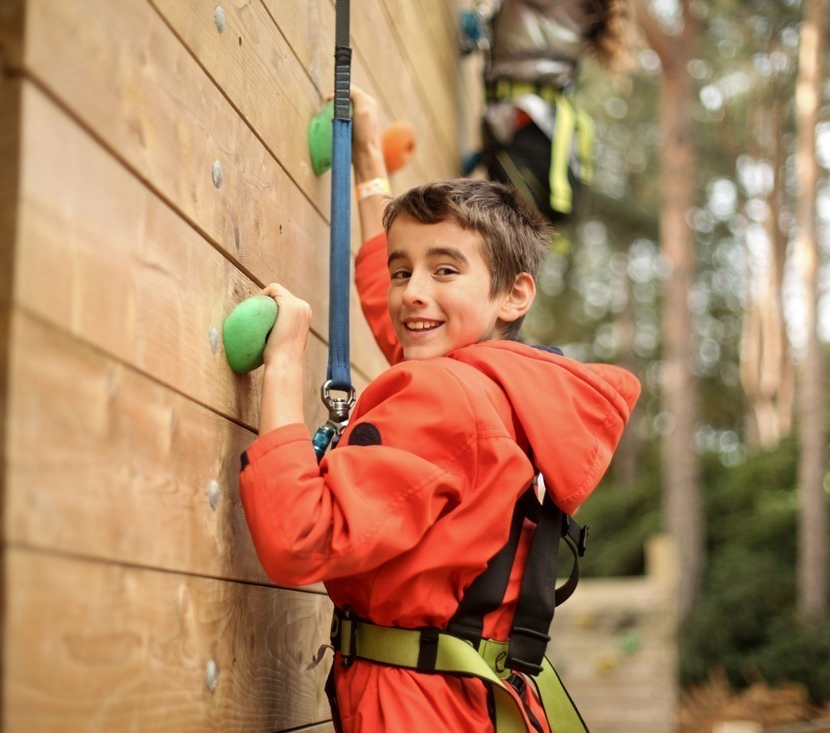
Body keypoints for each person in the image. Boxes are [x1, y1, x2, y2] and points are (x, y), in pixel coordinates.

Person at [238, 88, 640, 732]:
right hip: (471, 699)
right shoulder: (510, 390)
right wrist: (370, 162)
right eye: (404, 272)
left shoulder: (448, 399)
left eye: (445, 270)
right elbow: (407, 321)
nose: (413, 295)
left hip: (416, 709)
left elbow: (298, 539)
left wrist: (284, 362)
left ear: (514, 294)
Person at [462, 0, 627, 225]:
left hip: (525, 120)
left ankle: (493, 151)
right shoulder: (592, 13)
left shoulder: (584, 13)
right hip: (540, 126)